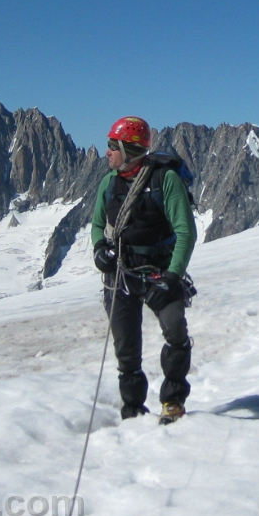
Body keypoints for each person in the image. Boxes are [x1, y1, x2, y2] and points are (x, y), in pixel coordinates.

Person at [90, 116, 197, 424]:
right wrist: (99, 248)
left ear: (129, 149)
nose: (107, 152)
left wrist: (173, 276)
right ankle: (133, 409)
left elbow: (185, 232)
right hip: (122, 271)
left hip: (159, 269)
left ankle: (173, 401)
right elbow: (98, 224)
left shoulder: (166, 181)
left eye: (113, 146)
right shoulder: (109, 183)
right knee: (126, 349)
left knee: (175, 331)